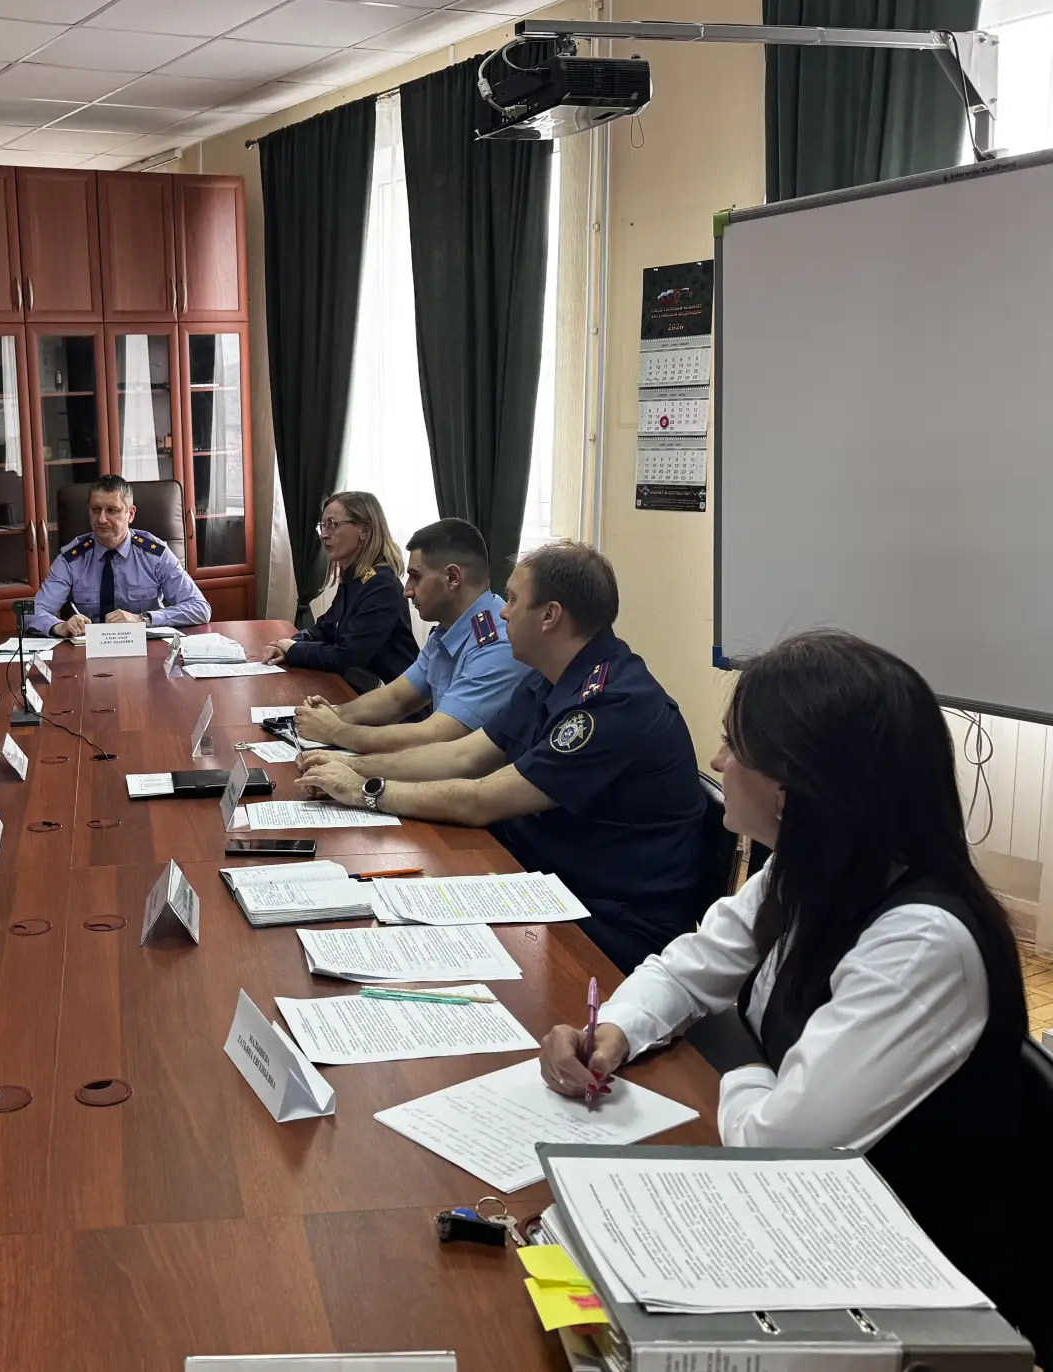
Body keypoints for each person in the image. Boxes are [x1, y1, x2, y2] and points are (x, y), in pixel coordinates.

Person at [538, 631, 1042, 1352]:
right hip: (810, 1224)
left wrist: (742, 1065)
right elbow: (688, 968)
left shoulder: (924, 942)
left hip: (896, 1288)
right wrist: (615, 1030)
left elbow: (778, 1145)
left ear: (793, 787)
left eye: (733, 744)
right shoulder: (809, 866)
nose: (717, 762)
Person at [299, 541, 704, 969]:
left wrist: (365, 790)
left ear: (550, 615)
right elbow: (462, 757)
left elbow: (482, 799)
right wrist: (350, 765)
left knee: (406, 948)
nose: (503, 612)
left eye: (512, 599)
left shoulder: (612, 704)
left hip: (609, 928)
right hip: (546, 880)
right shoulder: (549, 677)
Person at [294, 517, 530, 752]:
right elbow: (396, 698)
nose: (407, 591)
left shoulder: (496, 646)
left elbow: (437, 737)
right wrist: (333, 714)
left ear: (452, 578)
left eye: (416, 576)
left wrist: (335, 731)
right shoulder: (448, 629)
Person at [260, 491, 418, 682]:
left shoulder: (381, 585)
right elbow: (324, 629)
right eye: (322, 526)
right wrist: (285, 645)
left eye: (333, 524)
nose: (324, 535)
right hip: (357, 686)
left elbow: (348, 656)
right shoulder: (355, 577)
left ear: (365, 531)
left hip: (391, 694)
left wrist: (294, 650)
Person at [28, 475, 211, 637]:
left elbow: (199, 607)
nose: (101, 519)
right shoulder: (72, 559)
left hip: (147, 650)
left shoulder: (155, 555)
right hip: (87, 653)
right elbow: (32, 613)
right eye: (96, 509)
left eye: (112, 510)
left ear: (130, 514)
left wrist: (142, 619)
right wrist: (59, 626)